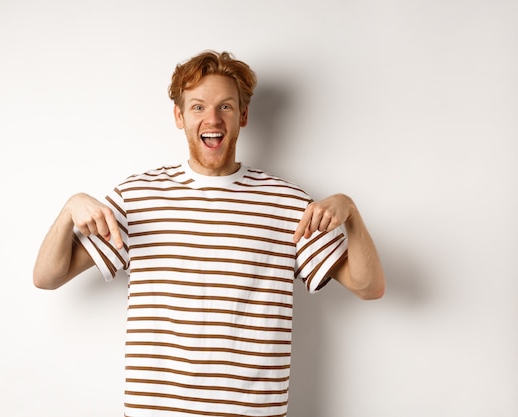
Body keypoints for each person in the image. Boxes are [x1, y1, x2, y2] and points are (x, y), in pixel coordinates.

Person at [33, 50, 385, 417]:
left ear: (243, 115)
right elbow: (47, 276)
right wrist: (69, 209)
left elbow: (369, 286)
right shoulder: (137, 198)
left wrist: (351, 213)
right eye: (198, 107)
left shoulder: (288, 204)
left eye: (226, 107)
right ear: (179, 116)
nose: (212, 119)